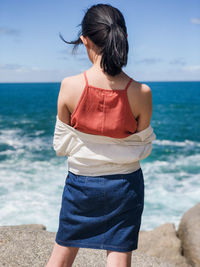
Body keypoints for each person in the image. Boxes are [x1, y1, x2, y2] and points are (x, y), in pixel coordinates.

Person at [46, 3, 154, 267]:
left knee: (61, 255)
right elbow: (141, 147)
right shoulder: (141, 93)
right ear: (123, 38)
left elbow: (60, 145)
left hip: (81, 186)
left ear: (85, 41)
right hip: (125, 187)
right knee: (118, 257)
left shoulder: (70, 86)